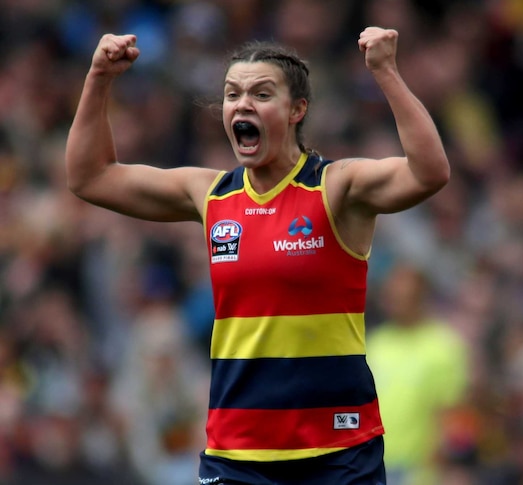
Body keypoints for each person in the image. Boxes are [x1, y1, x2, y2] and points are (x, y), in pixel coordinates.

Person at [65, 27, 450, 485]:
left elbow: (429, 172)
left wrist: (385, 71)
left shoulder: (336, 187)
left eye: (261, 93)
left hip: (339, 454)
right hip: (237, 456)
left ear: (296, 110)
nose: (242, 103)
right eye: (232, 94)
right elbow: (90, 177)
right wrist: (98, 78)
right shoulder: (210, 195)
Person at [365, 262, 470, 485]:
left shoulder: (443, 347)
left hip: (418, 471)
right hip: (373, 465)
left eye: (405, 296)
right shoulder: (375, 344)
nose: (396, 303)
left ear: (421, 298)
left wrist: (443, 465)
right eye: (392, 296)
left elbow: (452, 414)